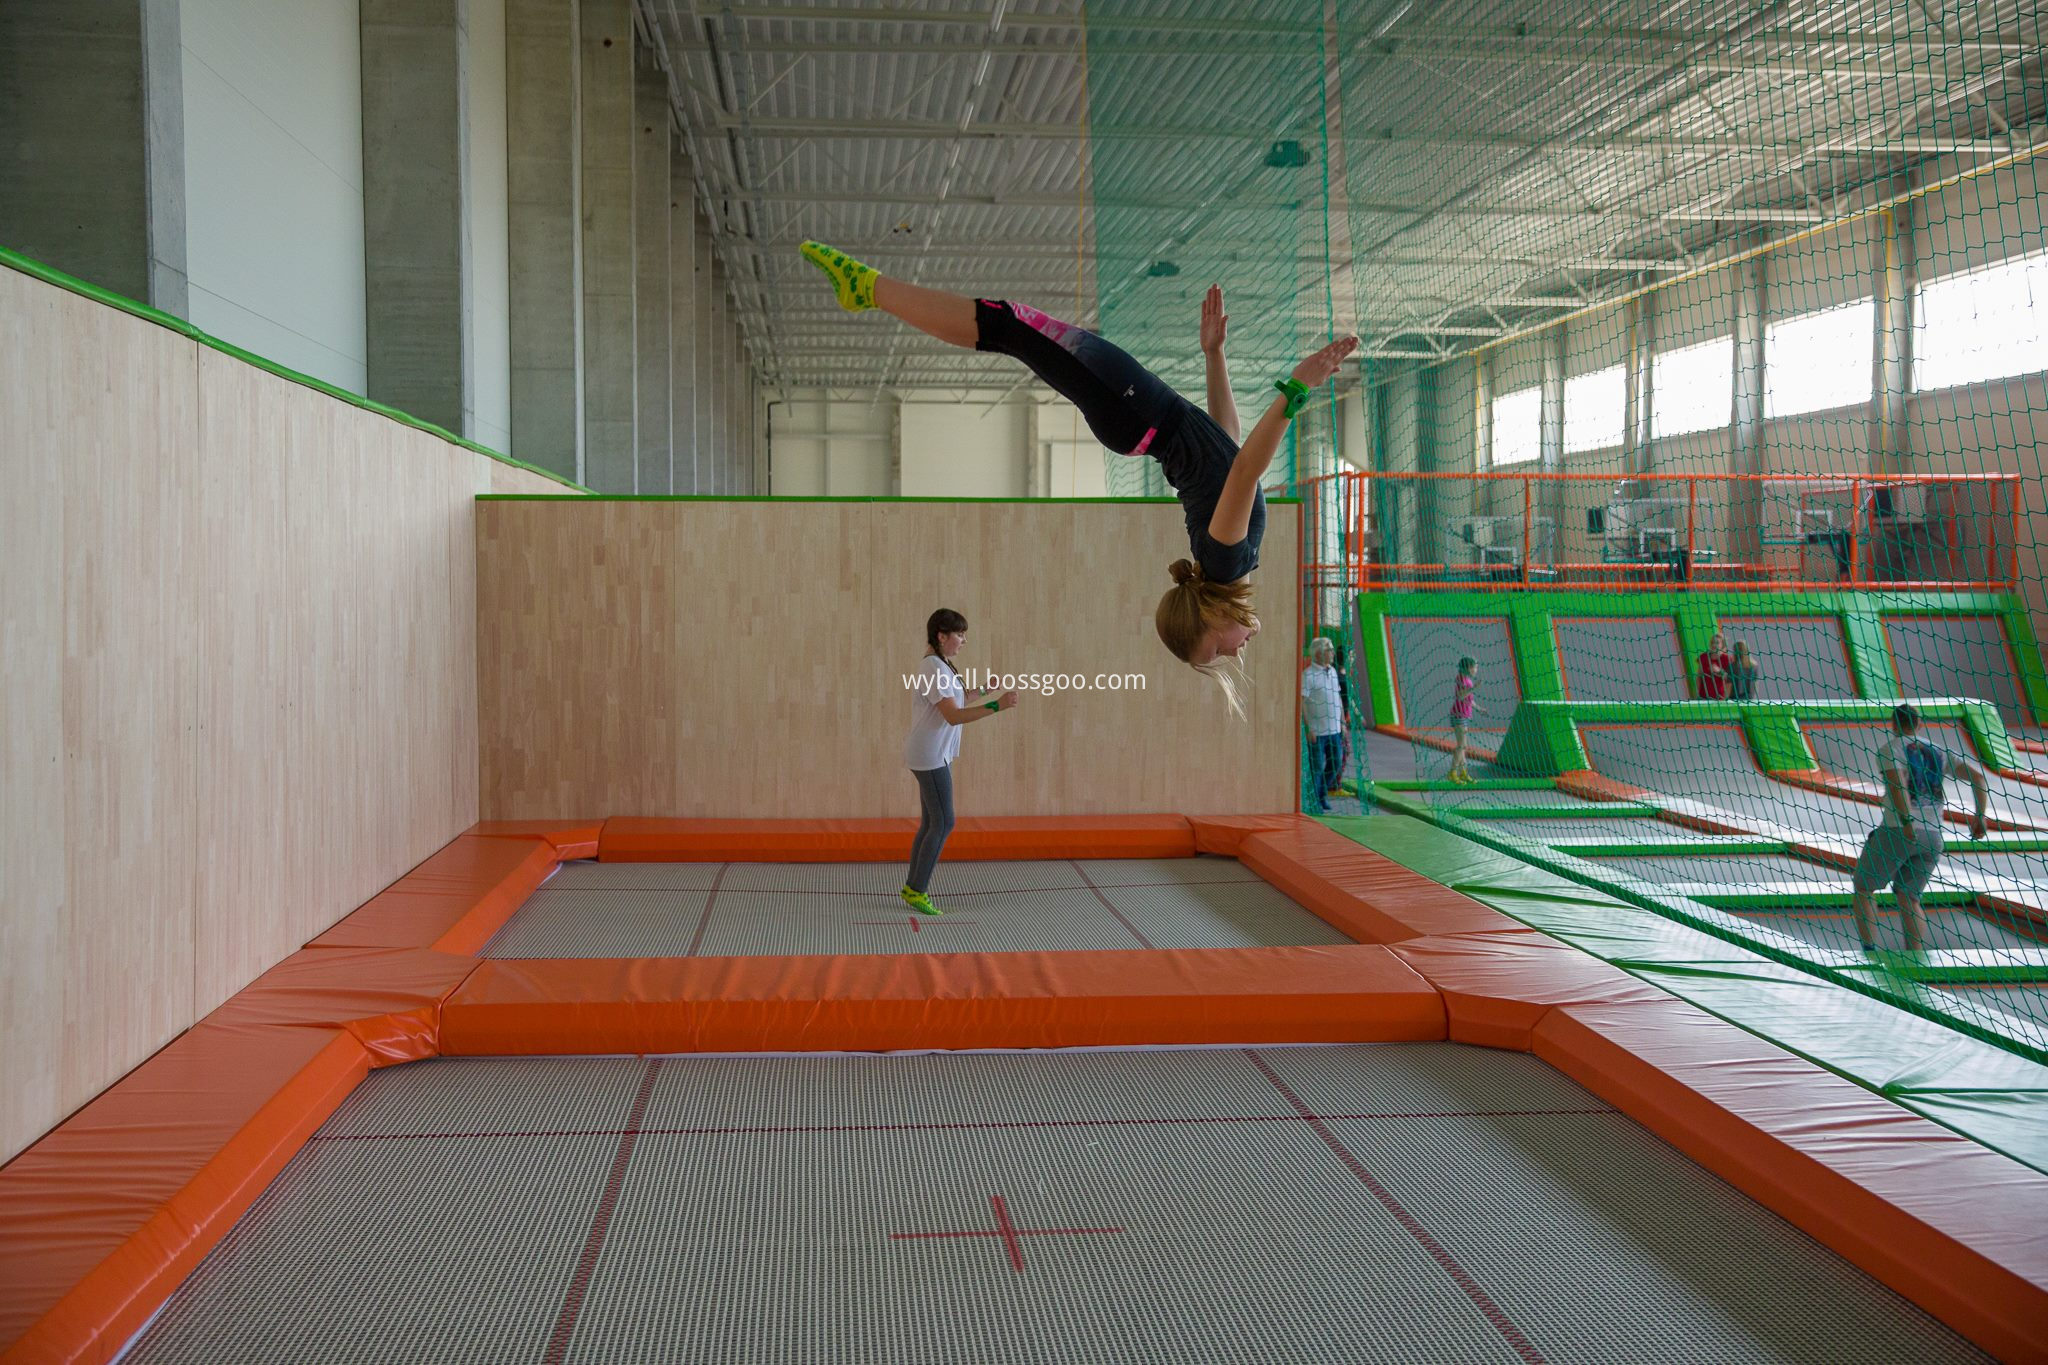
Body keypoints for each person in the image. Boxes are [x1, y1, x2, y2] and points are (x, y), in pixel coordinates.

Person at [800, 241, 1358, 715]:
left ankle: (868, 289)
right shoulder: (1236, 563)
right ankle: (869, 290)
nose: (1237, 651)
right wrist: (1214, 356)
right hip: (1142, 418)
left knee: (1009, 325)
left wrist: (1296, 389)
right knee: (1010, 327)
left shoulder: (1225, 562)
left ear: (1211, 617)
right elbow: (1227, 444)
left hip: (1138, 413)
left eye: (1219, 650)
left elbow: (1243, 468)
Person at [902, 609, 1019, 916]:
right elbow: (953, 716)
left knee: (932, 822)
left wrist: (983, 690)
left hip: (933, 753)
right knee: (944, 822)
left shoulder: (941, 665)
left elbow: (956, 700)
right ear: (942, 636)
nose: (964, 641)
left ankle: (912, 887)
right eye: (960, 635)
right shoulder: (933, 668)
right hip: (930, 755)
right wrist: (997, 705)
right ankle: (917, 890)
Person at [1850, 703, 1988, 952]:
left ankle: (1869, 949)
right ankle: (1914, 956)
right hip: (1934, 835)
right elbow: (1978, 777)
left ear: (1894, 724)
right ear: (1919, 723)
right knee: (1909, 896)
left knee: (1864, 886)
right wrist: (1980, 816)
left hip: (1899, 831)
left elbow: (1898, 785)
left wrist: (1906, 822)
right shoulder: (1939, 751)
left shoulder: (1890, 749)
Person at [1301, 638, 1346, 813]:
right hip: (1318, 731)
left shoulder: (1333, 672)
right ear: (1319, 653)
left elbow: (1338, 699)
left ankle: (1321, 795)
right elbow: (1302, 702)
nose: (1333, 653)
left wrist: (1342, 722)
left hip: (1334, 729)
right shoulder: (1308, 675)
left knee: (1335, 763)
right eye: (1330, 650)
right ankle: (1313, 801)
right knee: (1317, 767)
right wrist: (1308, 727)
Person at [1447, 656, 1488, 785]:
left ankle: (1463, 772)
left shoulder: (1467, 679)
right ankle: (1452, 772)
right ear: (1468, 668)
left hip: (1464, 715)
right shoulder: (1461, 678)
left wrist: (1479, 708)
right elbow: (1460, 696)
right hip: (1458, 715)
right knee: (1462, 745)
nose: (1476, 669)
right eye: (1475, 667)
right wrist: (1475, 687)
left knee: (1463, 746)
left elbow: (1468, 699)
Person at [1697, 631, 1732, 701]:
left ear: (1722, 645)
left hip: (1719, 697)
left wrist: (1719, 671)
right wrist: (1697, 694)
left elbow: (1729, 680)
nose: (1714, 645)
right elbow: (1698, 677)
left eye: (1717, 643)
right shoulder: (1704, 657)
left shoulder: (1727, 659)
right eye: (1712, 642)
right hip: (1703, 696)